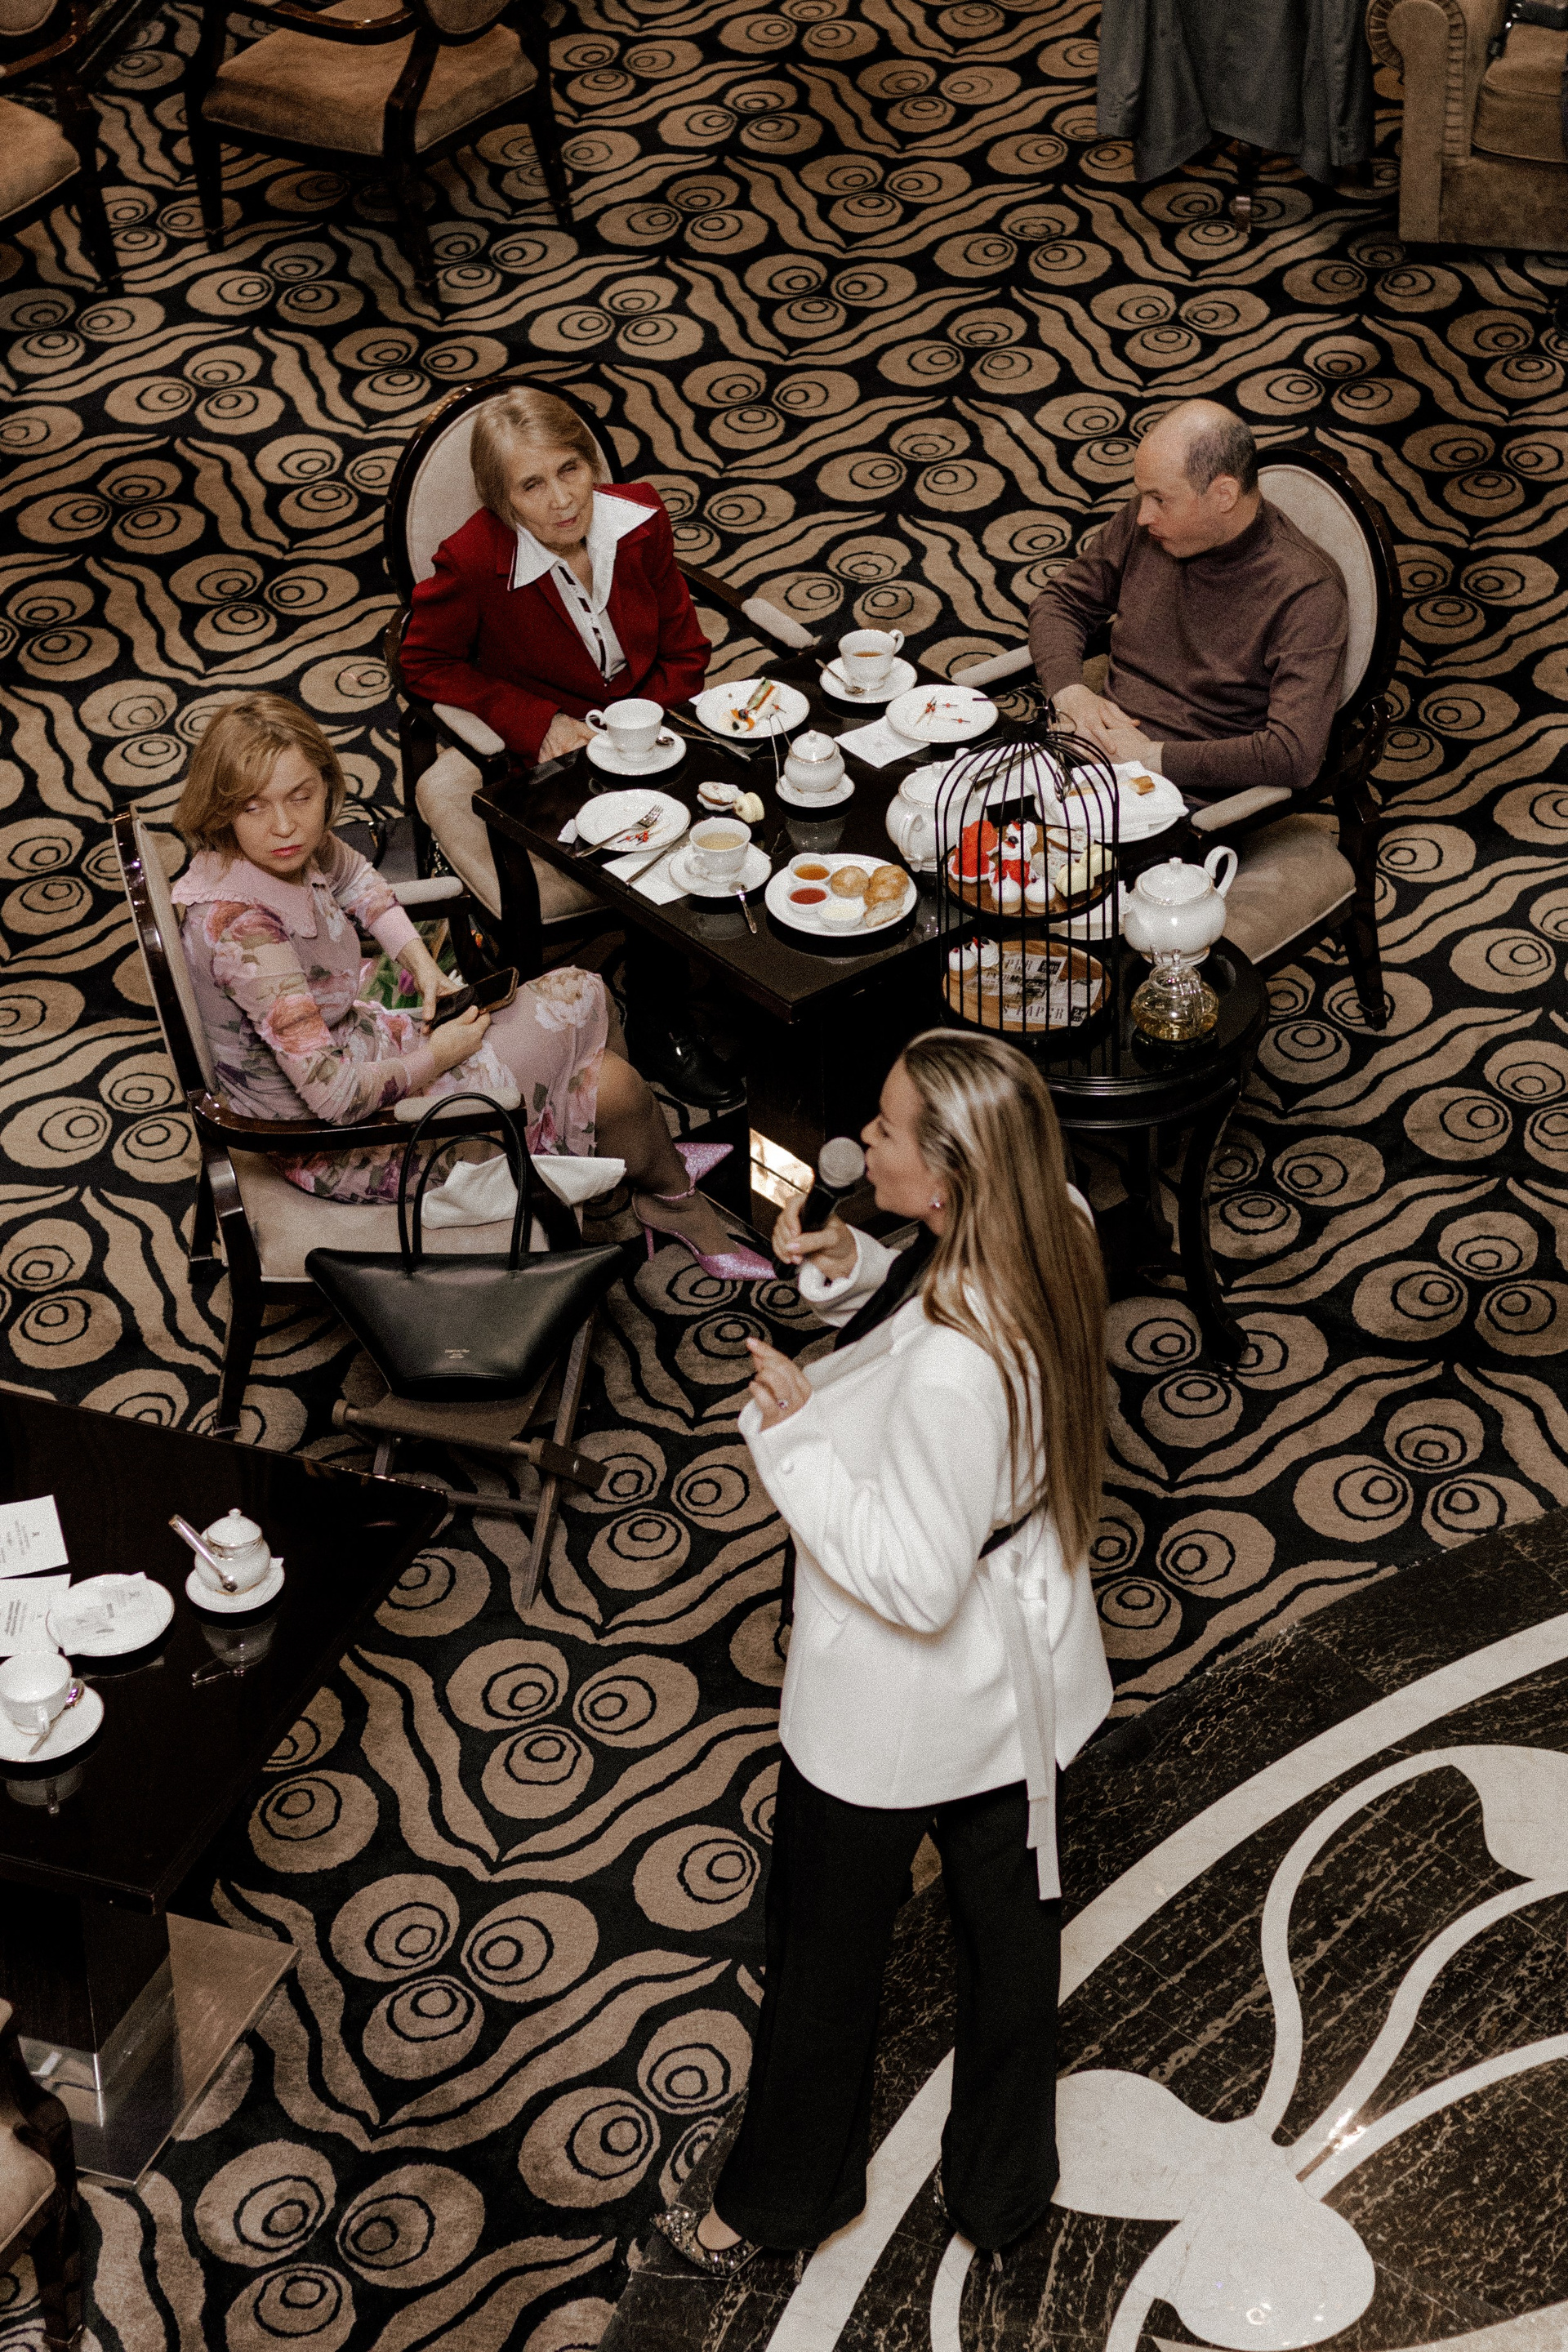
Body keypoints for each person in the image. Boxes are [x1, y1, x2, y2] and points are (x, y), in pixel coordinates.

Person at [655, 1032, 1112, 2274]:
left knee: (822, 1951)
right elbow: (924, 1298)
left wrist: (793, 1438)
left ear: (951, 1175)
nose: (865, 1137)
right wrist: (851, 1263)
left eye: (890, 1128)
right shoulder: (1056, 1224)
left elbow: (915, 1579)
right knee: (1012, 1942)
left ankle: (781, 2201)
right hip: (1026, 1663)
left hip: (898, 1702)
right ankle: (1004, 2189)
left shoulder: (960, 1371)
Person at [171, 695, 771, 1278]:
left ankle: (631, 1163)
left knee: (590, 1009)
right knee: (598, 1045)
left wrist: (421, 963)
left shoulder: (279, 848)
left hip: (364, 1048)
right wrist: (442, 1053)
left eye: (302, 796)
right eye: (254, 806)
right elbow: (337, 1100)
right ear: (222, 808)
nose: (284, 824)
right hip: (346, 1143)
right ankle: (660, 1187)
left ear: (326, 784)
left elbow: (354, 876)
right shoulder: (244, 933)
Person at [397, 384, 738, 1111]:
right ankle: (659, 1023)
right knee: (653, 852)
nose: (561, 501)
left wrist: (649, 722)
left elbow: (685, 647)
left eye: (570, 470)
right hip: (553, 766)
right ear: (502, 500)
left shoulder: (640, 518)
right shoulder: (474, 561)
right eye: (532, 485)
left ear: (591, 465)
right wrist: (534, 719)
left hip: (656, 731)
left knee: (747, 805)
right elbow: (421, 663)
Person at [1029, 399, 1348, 801]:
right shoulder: (1149, 525)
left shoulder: (1307, 591)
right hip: (1085, 756)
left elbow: (1294, 755)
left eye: (1161, 499)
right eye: (1143, 496)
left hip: (1181, 798)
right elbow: (1060, 603)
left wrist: (1149, 757)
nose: (1143, 515)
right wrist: (1069, 693)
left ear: (1224, 494)